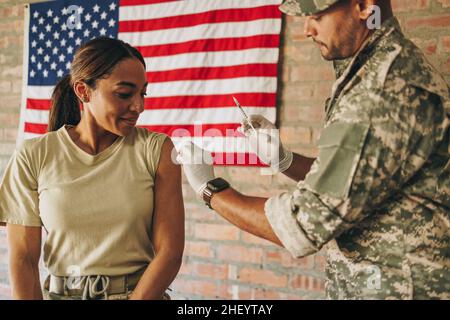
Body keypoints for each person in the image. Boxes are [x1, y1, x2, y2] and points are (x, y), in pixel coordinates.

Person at [177, 0, 450, 299]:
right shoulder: (373, 70)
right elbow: (353, 179)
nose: (307, 29)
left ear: (363, 7)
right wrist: (285, 161)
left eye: (317, 16)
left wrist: (210, 189)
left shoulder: (382, 89)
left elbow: (304, 224)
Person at [0, 37, 185, 300]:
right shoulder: (33, 155)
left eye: (142, 93)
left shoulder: (157, 150)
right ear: (83, 91)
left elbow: (170, 252)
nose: (139, 107)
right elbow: (23, 260)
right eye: (124, 94)